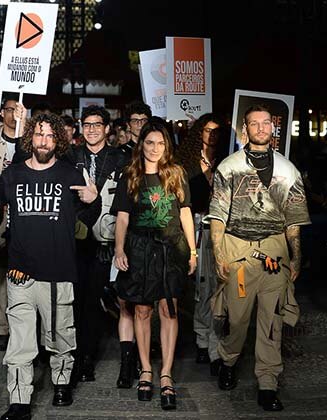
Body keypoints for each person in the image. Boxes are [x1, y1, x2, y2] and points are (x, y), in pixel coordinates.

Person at [0, 112, 97, 420]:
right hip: (20, 275)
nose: (44, 141)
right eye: (39, 134)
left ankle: (62, 382)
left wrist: (92, 200)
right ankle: (19, 401)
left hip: (58, 273)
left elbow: (87, 218)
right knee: (21, 343)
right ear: (30, 138)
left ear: (59, 141)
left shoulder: (70, 174)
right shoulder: (13, 174)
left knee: (60, 337)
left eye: (50, 136)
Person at [207, 105, 310, 411]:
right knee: (236, 318)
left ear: (273, 129)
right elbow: (217, 215)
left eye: (267, 123)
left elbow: (293, 220)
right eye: (255, 123)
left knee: (272, 321)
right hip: (238, 252)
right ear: (245, 129)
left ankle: (268, 382)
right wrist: (218, 254)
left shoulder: (288, 170)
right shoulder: (229, 167)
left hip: (275, 254)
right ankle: (228, 359)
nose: (262, 128)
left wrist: (296, 257)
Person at [112, 120, 197, 410]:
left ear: (167, 146)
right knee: (142, 308)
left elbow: (185, 213)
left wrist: (194, 252)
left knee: (168, 308)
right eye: (150, 142)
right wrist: (119, 248)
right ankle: (146, 368)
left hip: (171, 249)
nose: (155, 148)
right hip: (139, 248)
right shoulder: (131, 174)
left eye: (160, 143)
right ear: (142, 144)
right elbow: (122, 216)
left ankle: (166, 373)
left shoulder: (176, 173)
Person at [64, 105, 128, 383]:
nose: (91, 129)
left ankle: (86, 357)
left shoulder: (119, 158)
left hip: (105, 240)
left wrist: (97, 199)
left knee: (94, 302)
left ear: (106, 128)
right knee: (73, 301)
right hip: (74, 240)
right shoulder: (70, 156)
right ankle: (75, 356)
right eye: (86, 124)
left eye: (96, 124)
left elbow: (126, 201)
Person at [176, 113, 227, 374]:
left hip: (224, 228)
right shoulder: (186, 161)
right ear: (199, 133)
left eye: (216, 131)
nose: (211, 135)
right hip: (196, 226)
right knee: (201, 287)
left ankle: (215, 342)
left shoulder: (229, 160)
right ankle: (201, 339)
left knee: (221, 287)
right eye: (207, 130)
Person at [0, 96, 26, 352]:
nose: (15, 114)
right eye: (11, 109)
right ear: (2, 113)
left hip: (23, 210)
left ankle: (23, 324)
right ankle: (1, 326)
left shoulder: (30, 139)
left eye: (19, 109)